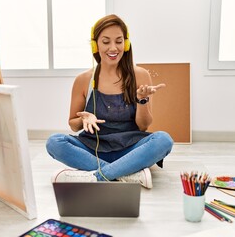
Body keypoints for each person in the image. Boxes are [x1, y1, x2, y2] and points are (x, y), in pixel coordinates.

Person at [46, 14, 173, 189]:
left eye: (119, 41)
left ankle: (98, 175)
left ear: (126, 44)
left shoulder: (140, 75)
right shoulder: (84, 80)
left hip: (130, 149)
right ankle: (126, 173)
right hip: (93, 149)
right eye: (106, 42)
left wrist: (142, 100)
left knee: (164, 140)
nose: (113, 48)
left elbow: (143, 127)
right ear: (95, 45)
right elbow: (73, 125)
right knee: (54, 142)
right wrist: (84, 119)